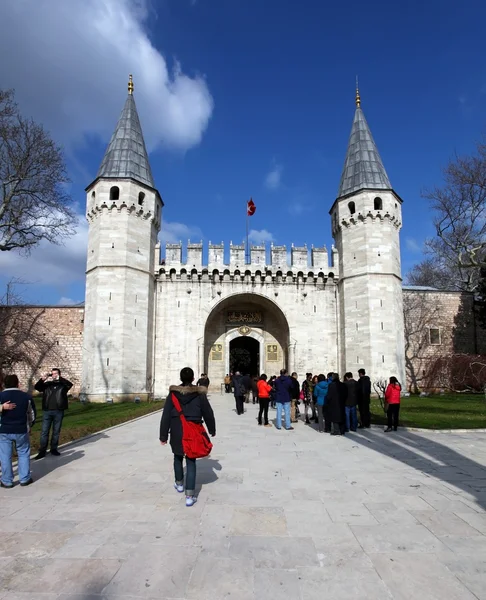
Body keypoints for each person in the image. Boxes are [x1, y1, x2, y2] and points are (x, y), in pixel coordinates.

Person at [159, 367, 216, 507]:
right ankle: (190, 495)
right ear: (193, 379)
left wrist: (163, 435)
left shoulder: (173, 395)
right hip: (193, 430)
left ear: (180, 378)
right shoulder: (199, 394)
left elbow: (165, 415)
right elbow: (208, 412)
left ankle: (179, 484)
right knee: (191, 460)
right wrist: (212, 429)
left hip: (177, 430)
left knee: (177, 456)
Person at [0, 374, 34, 488]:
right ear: (17, 383)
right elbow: (31, 414)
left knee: (5, 456)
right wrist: (30, 426)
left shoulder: (1, 396)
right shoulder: (26, 397)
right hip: (21, 429)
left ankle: (7, 481)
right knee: (23, 453)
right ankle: (24, 479)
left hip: (4, 430)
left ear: (4, 384)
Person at [34, 368, 73, 459]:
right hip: (47, 411)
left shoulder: (62, 385)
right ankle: (42, 451)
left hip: (58, 411)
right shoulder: (47, 385)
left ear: (59, 374)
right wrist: (43, 379)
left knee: (56, 431)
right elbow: (37, 387)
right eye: (52, 374)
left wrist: (60, 378)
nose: (54, 375)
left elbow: (70, 384)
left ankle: (53, 449)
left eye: (56, 373)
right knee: (44, 432)